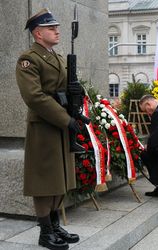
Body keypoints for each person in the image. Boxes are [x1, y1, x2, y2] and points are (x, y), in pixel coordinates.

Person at [15, 8, 80, 250]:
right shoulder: (29, 59)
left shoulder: (58, 56)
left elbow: (65, 86)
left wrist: (77, 93)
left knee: (60, 177)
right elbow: (35, 97)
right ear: (38, 33)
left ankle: (54, 225)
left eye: (56, 27)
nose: (57, 30)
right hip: (44, 125)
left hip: (61, 124)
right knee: (44, 181)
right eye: (51, 28)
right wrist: (66, 119)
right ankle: (45, 231)